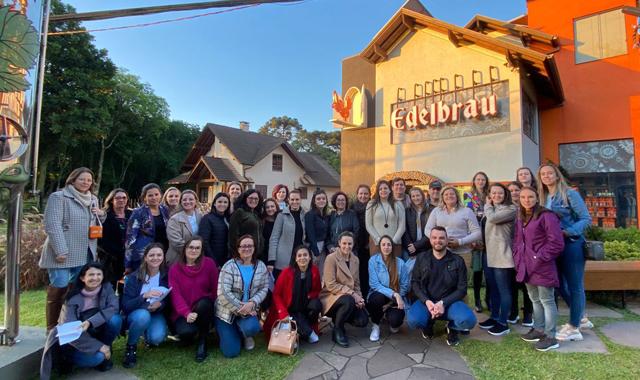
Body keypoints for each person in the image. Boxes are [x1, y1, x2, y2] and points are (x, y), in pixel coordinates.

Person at [40, 167, 104, 332]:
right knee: (59, 286)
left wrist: (100, 214)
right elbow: (52, 224)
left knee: (75, 291)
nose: (86, 183)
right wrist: (60, 249)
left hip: (84, 251)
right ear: (73, 180)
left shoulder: (93, 200)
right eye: (82, 179)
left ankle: (68, 324)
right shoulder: (59, 197)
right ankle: (52, 327)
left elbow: (94, 223)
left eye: (89, 180)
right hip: (62, 252)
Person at [537, 163, 592, 341]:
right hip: (554, 247)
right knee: (559, 284)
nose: (546, 176)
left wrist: (568, 231)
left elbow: (586, 219)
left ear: (557, 175)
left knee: (575, 286)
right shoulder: (543, 198)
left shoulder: (570, 194)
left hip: (572, 244)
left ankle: (574, 327)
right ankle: (580, 317)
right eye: (543, 174)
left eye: (549, 173)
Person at [41, 262, 122, 377]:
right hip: (74, 343)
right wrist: (99, 346)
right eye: (91, 275)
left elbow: (113, 308)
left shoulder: (107, 288)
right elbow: (70, 332)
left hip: (95, 332)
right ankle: (72, 360)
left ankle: (106, 351)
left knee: (115, 320)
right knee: (97, 358)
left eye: (99, 274)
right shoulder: (71, 298)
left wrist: (90, 322)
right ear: (82, 278)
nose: (95, 278)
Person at [406, 227, 477, 346]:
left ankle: (452, 328)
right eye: (434, 237)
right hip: (427, 303)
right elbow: (415, 283)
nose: (437, 241)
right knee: (413, 321)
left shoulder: (457, 261)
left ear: (447, 240)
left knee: (469, 320)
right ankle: (428, 324)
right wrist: (427, 301)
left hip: (449, 304)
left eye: (441, 238)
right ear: (430, 240)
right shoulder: (422, 258)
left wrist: (442, 303)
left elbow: (462, 289)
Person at [514, 186, 565, 351]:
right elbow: (517, 241)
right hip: (526, 266)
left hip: (542, 266)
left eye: (530, 197)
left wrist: (539, 257)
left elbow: (556, 243)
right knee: (534, 299)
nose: (526, 200)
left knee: (547, 300)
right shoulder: (521, 217)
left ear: (537, 198)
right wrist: (517, 257)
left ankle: (551, 336)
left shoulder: (546, 216)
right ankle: (539, 329)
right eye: (523, 197)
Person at [215, 235, 269, 358]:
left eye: (250, 245)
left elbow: (264, 288)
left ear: (254, 248)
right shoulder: (229, 266)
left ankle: (245, 334)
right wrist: (243, 309)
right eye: (243, 246)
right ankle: (227, 331)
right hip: (226, 312)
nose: (247, 248)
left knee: (253, 327)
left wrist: (252, 303)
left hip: (249, 310)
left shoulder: (260, 266)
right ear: (238, 249)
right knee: (231, 352)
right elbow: (223, 293)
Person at [169, 236, 219, 362]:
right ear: (185, 249)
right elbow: (175, 295)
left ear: (201, 250)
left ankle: (203, 342)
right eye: (191, 247)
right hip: (184, 312)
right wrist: (186, 313)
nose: (194, 250)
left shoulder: (209, 264)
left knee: (205, 303)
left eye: (198, 248)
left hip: (205, 308)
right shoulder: (175, 269)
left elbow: (215, 289)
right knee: (185, 332)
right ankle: (192, 335)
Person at [121, 243, 169, 368]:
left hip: (155, 313)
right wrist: (144, 296)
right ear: (145, 258)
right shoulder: (133, 277)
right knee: (143, 316)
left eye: (159, 255)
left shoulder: (166, 275)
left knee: (156, 339)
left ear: (163, 257)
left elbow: (168, 299)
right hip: (137, 313)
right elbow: (126, 305)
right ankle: (131, 347)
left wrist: (161, 304)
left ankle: (144, 333)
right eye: (151, 255)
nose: (155, 258)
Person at [478, 183, 517, 336]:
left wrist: (487, 204)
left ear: (505, 194)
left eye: (500, 193)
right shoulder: (493, 208)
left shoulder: (511, 209)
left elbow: (493, 219)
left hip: (502, 255)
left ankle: (503, 322)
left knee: (503, 290)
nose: (496, 196)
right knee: (492, 288)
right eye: (493, 193)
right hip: (489, 254)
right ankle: (494, 317)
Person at [265, 245, 322, 344]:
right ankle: (306, 331)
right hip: (288, 308)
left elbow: (317, 290)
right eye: (299, 255)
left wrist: (309, 296)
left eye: (305, 255)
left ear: (309, 257)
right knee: (312, 337)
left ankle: (307, 328)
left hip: (305, 305)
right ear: (295, 259)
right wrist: (283, 313)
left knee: (317, 304)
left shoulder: (314, 270)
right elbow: (276, 294)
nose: (302, 258)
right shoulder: (286, 272)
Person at [320, 232, 369, 347]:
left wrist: (360, 298)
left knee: (362, 321)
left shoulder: (355, 260)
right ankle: (338, 330)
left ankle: (339, 317)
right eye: (344, 243)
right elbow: (331, 284)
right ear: (339, 243)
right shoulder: (331, 258)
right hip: (330, 297)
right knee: (348, 300)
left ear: (353, 244)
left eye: (350, 244)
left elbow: (356, 283)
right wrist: (353, 294)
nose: (347, 246)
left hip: (349, 298)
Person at [424, 186, 481, 269]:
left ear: (457, 196)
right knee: (443, 279)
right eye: (446, 194)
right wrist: (440, 240)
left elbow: (477, 233)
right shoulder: (436, 211)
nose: (449, 196)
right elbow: (427, 229)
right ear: (442, 197)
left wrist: (460, 242)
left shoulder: (467, 211)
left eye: (452, 194)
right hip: (441, 253)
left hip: (463, 253)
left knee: (462, 279)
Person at [368, 235, 410, 342]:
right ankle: (376, 325)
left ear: (392, 247)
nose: (386, 247)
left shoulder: (400, 263)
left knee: (395, 323)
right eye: (383, 244)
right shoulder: (373, 261)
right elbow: (375, 284)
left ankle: (389, 317)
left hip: (395, 299)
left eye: (389, 244)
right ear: (380, 247)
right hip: (380, 295)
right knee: (377, 298)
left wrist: (391, 302)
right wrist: (394, 294)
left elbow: (405, 285)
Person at [125, 183, 170, 274]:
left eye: (156, 194)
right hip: (143, 255)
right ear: (144, 197)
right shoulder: (138, 213)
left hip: (162, 254)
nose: (154, 197)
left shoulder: (165, 210)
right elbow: (130, 239)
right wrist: (128, 263)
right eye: (150, 195)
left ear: (161, 195)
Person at [507, 181, 533, 326]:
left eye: (516, 190)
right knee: (512, 284)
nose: (514, 193)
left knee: (526, 284)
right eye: (510, 190)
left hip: (526, 252)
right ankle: (513, 312)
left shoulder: (528, 209)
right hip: (510, 251)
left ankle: (528, 314)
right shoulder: (505, 208)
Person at [463, 171, 490, 312]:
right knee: (478, 269)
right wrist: (472, 237)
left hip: (490, 234)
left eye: (483, 179)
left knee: (490, 268)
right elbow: (468, 216)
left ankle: (489, 298)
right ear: (474, 181)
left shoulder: (490, 194)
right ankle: (478, 300)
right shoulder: (468, 196)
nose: (480, 182)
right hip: (476, 235)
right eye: (478, 179)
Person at [98, 188, 131, 291]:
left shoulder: (132, 215)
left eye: (124, 197)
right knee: (109, 288)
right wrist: (118, 252)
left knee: (125, 287)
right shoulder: (104, 216)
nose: (121, 200)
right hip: (110, 258)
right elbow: (101, 240)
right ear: (112, 200)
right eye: (118, 198)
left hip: (128, 259)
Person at [268, 189, 306, 279]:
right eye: (292, 199)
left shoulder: (304, 215)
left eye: (297, 199)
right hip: (283, 258)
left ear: (301, 200)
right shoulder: (281, 216)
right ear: (288, 200)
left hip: (299, 257)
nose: (294, 202)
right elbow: (274, 238)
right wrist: (271, 260)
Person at [365, 180, 406, 259]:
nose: (383, 190)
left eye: (385, 188)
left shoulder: (398, 204)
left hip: (395, 243)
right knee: (378, 269)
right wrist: (379, 240)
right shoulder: (371, 204)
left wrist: (393, 241)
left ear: (390, 190)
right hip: (376, 243)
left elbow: (402, 226)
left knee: (394, 269)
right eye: (380, 189)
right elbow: (369, 225)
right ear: (378, 191)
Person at [166, 190, 203, 265]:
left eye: (191, 199)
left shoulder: (201, 216)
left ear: (196, 201)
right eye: (184, 199)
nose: (187, 201)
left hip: (196, 259)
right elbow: (177, 242)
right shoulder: (174, 219)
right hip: (178, 259)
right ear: (181, 202)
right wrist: (193, 253)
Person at [402, 187, 432, 273]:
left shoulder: (430, 210)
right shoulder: (407, 211)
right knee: (409, 274)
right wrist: (411, 248)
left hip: (426, 247)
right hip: (410, 248)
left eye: (418, 195)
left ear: (422, 196)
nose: (416, 198)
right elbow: (405, 230)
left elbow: (431, 231)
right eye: (413, 196)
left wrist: (417, 245)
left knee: (425, 272)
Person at [228, 189, 264, 257]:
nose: (253, 200)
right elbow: (233, 236)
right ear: (245, 198)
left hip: (256, 255)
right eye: (250, 198)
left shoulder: (256, 214)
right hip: (243, 254)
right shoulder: (240, 212)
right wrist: (237, 253)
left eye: (256, 198)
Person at [199, 192, 231, 268]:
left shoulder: (228, 219)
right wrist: (214, 262)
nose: (222, 204)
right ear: (214, 204)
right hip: (214, 261)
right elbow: (204, 242)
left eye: (225, 202)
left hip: (227, 260)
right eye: (219, 202)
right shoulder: (207, 219)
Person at [351, 184, 372, 297]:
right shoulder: (352, 208)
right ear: (357, 194)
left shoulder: (372, 206)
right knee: (355, 274)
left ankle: (366, 298)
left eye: (366, 194)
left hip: (369, 246)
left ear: (369, 195)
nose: (363, 196)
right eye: (361, 193)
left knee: (366, 274)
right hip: (355, 246)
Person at [305, 189, 330, 274]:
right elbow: (310, 234)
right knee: (313, 273)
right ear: (314, 201)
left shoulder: (326, 216)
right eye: (318, 199)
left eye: (323, 198)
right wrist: (315, 252)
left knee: (321, 273)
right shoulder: (310, 215)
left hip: (323, 248)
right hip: (313, 248)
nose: (321, 200)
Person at [261, 198, 280, 265]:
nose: (270, 209)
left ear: (276, 207)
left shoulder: (281, 220)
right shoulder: (262, 222)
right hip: (265, 254)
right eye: (267, 207)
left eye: (272, 206)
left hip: (279, 254)